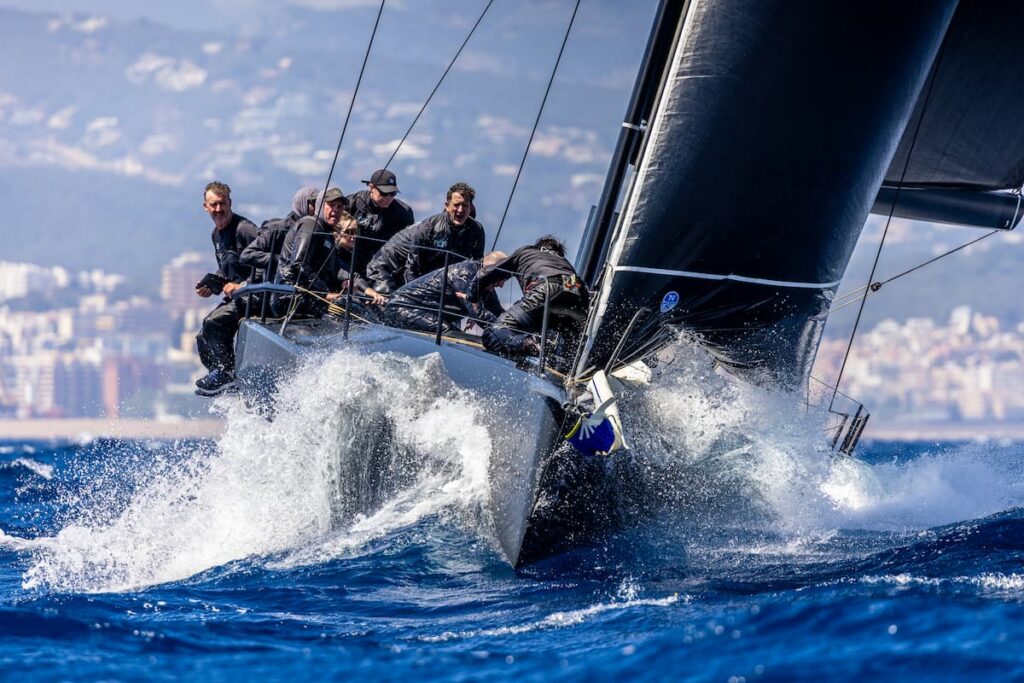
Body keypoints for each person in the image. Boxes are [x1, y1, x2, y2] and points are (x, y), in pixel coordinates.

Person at [471, 235, 590, 366]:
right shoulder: (566, 265)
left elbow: (484, 274)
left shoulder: (527, 251)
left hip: (547, 288)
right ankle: (563, 365)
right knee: (569, 349)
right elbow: (566, 289)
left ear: (540, 248)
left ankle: (533, 344)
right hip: (579, 294)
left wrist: (472, 296)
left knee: (492, 335)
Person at [194, 181, 259, 396]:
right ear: (205, 206)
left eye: (222, 204)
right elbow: (226, 268)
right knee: (203, 337)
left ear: (230, 203)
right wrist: (212, 286)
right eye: (213, 205)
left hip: (253, 296)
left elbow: (270, 263)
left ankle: (228, 373)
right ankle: (219, 376)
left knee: (213, 323)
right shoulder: (216, 235)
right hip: (235, 297)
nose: (218, 209)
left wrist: (241, 285)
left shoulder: (245, 229)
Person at [365, 181, 485, 297]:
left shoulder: (476, 230)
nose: (460, 210)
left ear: (470, 208)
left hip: (413, 273)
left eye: (465, 205)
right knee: (395, 309)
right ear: (447, 206)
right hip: (386, 269)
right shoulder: (430, 227)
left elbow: (477, 269)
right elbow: (412, 268)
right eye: (456, 205)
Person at [382, 251, 507, 333]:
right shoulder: (466, 274)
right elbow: (479, 315)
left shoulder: (485, 282)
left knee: (450, 330)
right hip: (401, 307)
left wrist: (519, 330)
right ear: (489, 270)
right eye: (501, 278)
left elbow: (498, 313)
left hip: (426, 313)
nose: (501, 285)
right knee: (447, 330)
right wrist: (505, 335)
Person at [273, 186, 351, 318]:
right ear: (320, 205)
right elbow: (299, 265)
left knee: (352, 306)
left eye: (340, 207)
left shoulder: (327, 233)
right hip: (290, 297)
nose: (336, 210)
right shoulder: (310, 225)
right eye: (331, 205)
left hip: (310, 297)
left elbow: (329, 269)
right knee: (343, 309)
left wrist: (344, 281)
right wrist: (324, 293)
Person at [240, 185, 318, 282]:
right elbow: (247, 255)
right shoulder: (276, 229)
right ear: (302, 203)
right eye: (313, 203)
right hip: (275, 288)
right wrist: (280, 260)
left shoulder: (317, 232)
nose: (316, 208)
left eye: (319, 204)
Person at [346, 169, 415, 262]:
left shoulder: (403, 213)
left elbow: (409, 243)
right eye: (384, 193)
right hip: (351, 259)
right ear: (371, 187)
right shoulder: (355, 202)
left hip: (383, 264)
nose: (388, 198)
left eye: (392, 193)